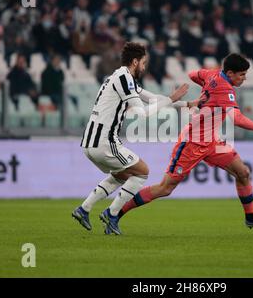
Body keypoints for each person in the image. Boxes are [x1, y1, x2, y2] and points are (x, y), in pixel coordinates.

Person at [108, 53, 253, 235]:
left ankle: (251, 218)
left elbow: (192, 74)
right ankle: (114, 214)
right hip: (192, 143)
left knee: (243, 172)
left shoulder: (212, 75)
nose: (244, 78)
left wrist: (207, 90)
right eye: (242, 74)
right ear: (230, 73)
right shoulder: (225, 90)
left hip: (211, 142)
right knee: (165, 188)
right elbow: (236, 119)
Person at [71, 42, 194, 233]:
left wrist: (185, 103)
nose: (144, 68)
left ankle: (84, 209)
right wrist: (171, 99)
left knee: (123, 175)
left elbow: (152, 97)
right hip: (105, 142)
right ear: (135, 62)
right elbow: (142, 113)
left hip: (90, 143)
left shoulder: (118, 77)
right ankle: (111, 215)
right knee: (143, 171)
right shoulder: (124, 78)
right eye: (143, 63)